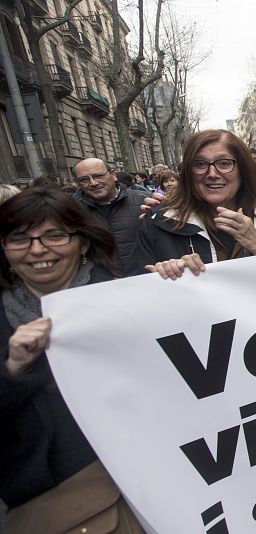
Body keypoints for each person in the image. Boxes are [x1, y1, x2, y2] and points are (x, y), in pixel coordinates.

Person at [0, 186, 144, 532]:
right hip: (52, 503)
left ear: (82, 242)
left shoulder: (128, 300)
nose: (38, 250)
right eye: (20, 239)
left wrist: (183, 283)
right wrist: (13, 368)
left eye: (54, 235)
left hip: (145, 481)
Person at [125, 129, 256, 278]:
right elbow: (134, 296)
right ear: (188, 172)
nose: (212, 173)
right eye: (200, 164)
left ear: (243, 170)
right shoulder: (157, 224)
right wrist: (162, 277)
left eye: (224, 163)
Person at [72, 157, 149, 274]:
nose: (93, 183)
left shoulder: (145, 200)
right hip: (100, 286)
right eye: (84, 180)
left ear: (113, 174)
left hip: (146, 279)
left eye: (98, 176)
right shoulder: (71, 210)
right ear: (78, 183)